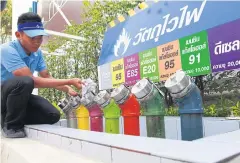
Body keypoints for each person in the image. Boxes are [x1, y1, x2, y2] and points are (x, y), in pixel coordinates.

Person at [1, 12, 83, 138]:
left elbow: (46, 77)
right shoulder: (7, 50)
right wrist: (69, 81)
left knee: (52, 115)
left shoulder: (37, 53)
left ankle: (9, 117)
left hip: (18, 98)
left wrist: (67, 88)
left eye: (40, 38)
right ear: (19, 35)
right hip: (3, 96)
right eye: (32, 38)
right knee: (25, 81)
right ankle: (11, 126)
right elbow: (33, 81)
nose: (37, 42)